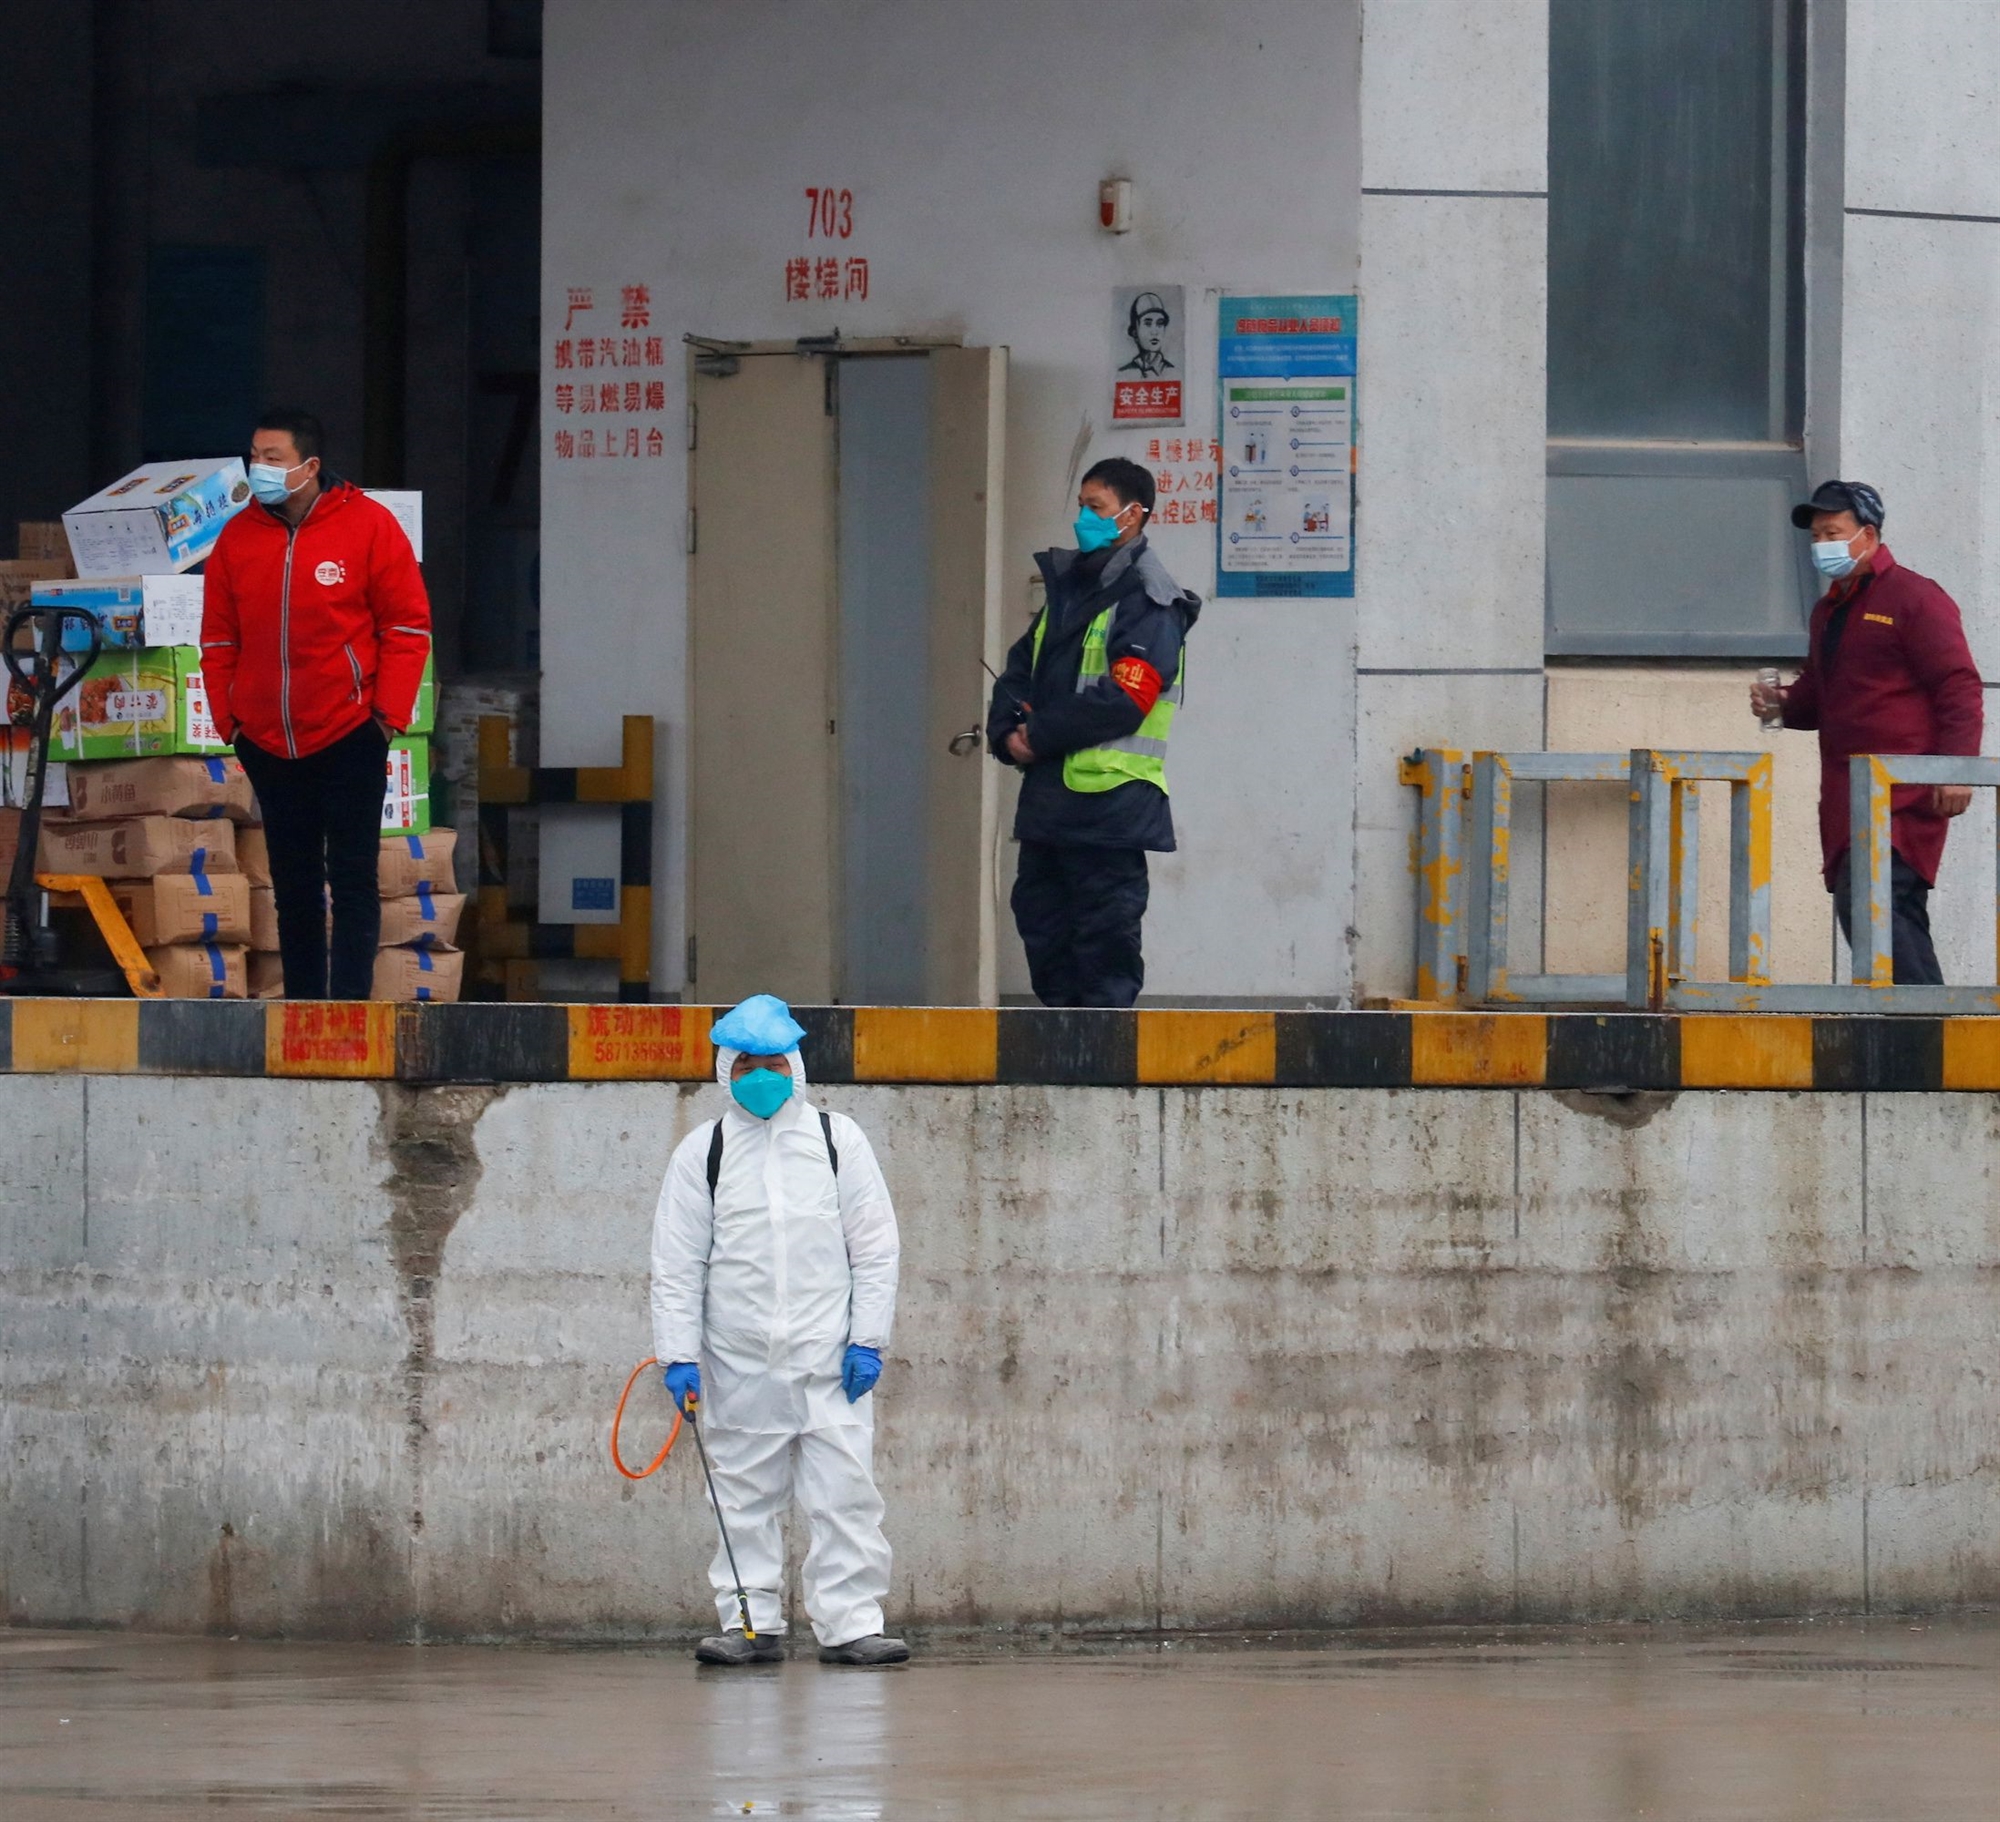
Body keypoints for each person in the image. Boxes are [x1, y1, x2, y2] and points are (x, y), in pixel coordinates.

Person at [650, 994, 908, 1667]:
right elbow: (677, 1263)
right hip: (739, 1364)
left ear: (796, 1066)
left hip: (829, 1362)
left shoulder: (837, 1140)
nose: (760, 1077)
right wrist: (678, 1356)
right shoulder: (704, 1152)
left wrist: (867, 1340)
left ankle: (851, 1625)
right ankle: (749, 1624)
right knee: (741, 1499)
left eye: (773, 1064)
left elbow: (874, 1248)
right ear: (724, 1072)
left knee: (846, 1497)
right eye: (745, 1066)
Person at [200, 409, 431, 1000]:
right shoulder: (237, 537)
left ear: (309, 466)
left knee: (352, 880)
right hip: (267, 741)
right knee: (293, 886)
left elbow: (407, 629)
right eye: (254, 456)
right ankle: (303, 1009)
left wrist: (385, 720)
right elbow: (219, 639)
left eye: (272, 458)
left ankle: (349, 1011)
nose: (259, 468)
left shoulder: (369, 526)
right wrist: (231, 723)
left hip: (350, 733)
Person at [986, 456, 1201, 1007]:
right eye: (1081, 506)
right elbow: (1021, 666)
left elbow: (1126, 699)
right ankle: (1060, 1042)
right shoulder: (1071, 588)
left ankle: (1101, 1048)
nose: (1084, 518)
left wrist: (1038, 736)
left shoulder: (1150, 596)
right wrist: (1005, 730)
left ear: (1133, 515)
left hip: (1111, 805)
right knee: (1041, 923)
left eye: (1096, 507)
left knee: (1104, 938)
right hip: (1051, 802)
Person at [1750, 480, 1983, 983]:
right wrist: (1781, 703)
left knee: (1876, 903)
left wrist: (1957, 768)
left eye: (1832, 532)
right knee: (1881, 910)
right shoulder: (1829, 610)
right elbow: (1818, 695)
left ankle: (1921, 1022)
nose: (1821, 545)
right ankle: (1923, 1024)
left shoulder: (1914, 597)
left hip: (1903, 794)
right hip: (1848, 797)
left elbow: (1958, 684)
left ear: (1869, 535)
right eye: (1816, 536)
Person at [1118, 292, 1176, 378]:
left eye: (1160, 323)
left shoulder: (1173, 372)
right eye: (1148, 324)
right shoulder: (1123, 373)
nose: (1155, 332)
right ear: (1135, 332)